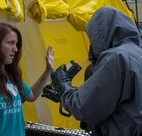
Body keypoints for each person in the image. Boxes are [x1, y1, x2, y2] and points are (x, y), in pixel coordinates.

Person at [51, 6, 142, 136]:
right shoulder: (137, 53)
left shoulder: (116, 57)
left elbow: (82, 107)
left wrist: (63, 83)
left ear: (100, 34)